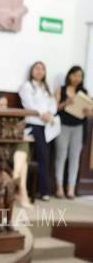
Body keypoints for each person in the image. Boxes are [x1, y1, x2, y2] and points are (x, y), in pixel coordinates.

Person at [18, 61, 57, 201]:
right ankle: (41, 191)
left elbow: (53, 104)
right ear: (32, 71)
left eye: (42, 69)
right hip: (33, 124)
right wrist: (42, 114)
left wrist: (50, 113)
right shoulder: (27, 86)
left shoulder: (47, 87)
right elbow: (29, 104)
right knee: (41, 157)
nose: (40, 71)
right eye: (37, 68)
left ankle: (43, 190)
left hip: (48, 126)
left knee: (46, 158)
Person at [0, 93, 33, 208]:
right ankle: (23, 192)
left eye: (5, 105)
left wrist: (21, 136)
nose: (4, 108)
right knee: (24, 163)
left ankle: (16, 174)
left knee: (24, 143)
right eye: (0, 105)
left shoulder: (10, 118)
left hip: (10, 151)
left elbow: (15, 134)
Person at [55, 66, 92, 199]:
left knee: (75, 157)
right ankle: (59, 187)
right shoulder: (61, 89)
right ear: (69, 75)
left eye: (80, 76)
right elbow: (54, 108)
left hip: (78, 127)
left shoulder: (84, 92)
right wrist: (66, 103)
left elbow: (90, 111)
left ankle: (71, 188)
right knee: (61, 156)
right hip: (63, 125)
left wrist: (88, 112)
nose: (77, 78)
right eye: (75, 75)